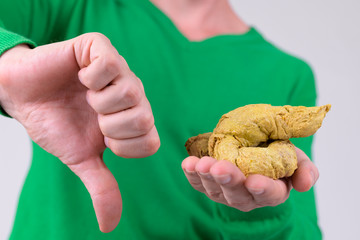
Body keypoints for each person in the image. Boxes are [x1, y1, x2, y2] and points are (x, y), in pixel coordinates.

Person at [0, 0, 321, 239]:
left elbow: (303, 230)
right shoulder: (78, 6)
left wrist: (262, 210)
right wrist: (10, 67)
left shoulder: (288, 76)